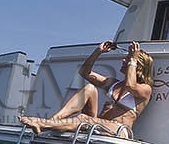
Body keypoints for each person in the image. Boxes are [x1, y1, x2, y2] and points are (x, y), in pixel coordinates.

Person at [19, 40, 153, 138]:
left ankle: (43, 124)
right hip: (98, 124)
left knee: (83, 118)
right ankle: (53, 121)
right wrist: (98, 52)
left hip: (119, 130)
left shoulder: (145, 89)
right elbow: (84, 72)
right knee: (89, 88)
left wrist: (133, 59)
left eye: (127, 59)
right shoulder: (114, 84)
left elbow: (130, 85)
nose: (124, 61)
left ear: (138, 65)